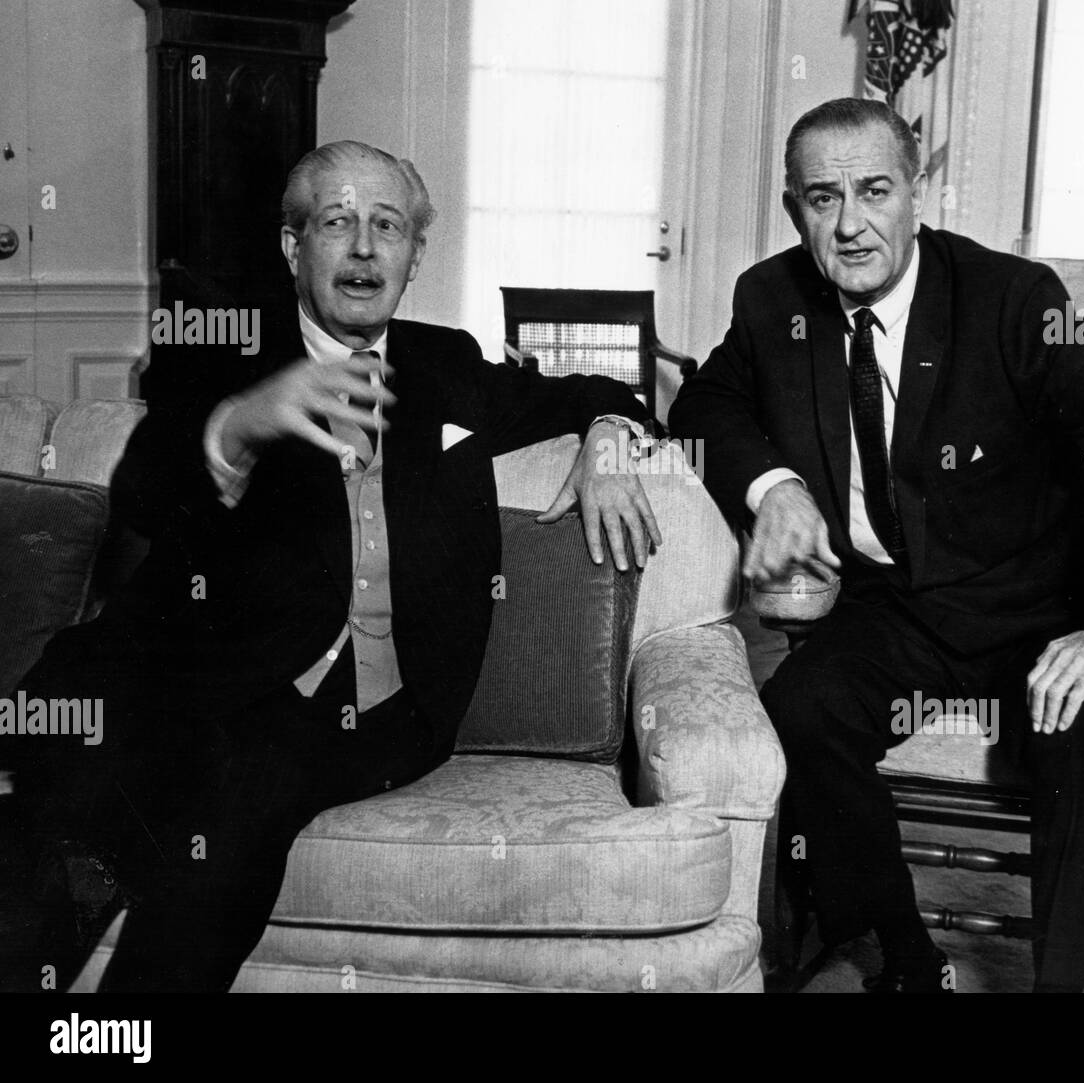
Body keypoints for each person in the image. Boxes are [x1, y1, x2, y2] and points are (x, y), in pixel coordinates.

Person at [4, 140, 659, 992]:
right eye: (337, 221)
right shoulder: (220, 350)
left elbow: (590, 393)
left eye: (387, 226)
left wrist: (611, 438)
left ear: (416, 253)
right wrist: (241, 422)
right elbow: (144, 493)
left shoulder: (447, 363)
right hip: (198, 673)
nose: (362, 248)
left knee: (228, 795)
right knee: (46, 770)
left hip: (373, 706)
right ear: (293, 246)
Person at [669, 98, 1084, 993]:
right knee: (801, 708)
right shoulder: (770, 298)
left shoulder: (1012, 299)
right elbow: (704, 407)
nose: (850, 223)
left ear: (920, 192)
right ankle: (904, 963)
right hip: (897, 609)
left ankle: (1059, 987)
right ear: (792, 208)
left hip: (1041, 609)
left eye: (874, 190)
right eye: (822, 198)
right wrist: (776, 486)